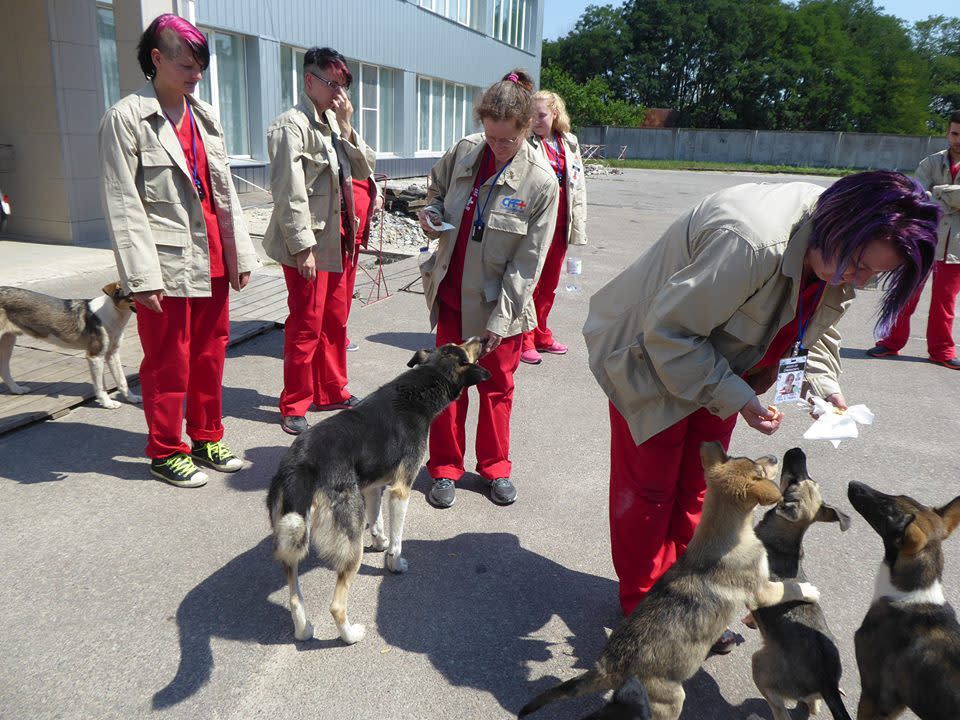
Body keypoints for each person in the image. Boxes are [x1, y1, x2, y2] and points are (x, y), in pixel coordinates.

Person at [583, 172, 938, 634]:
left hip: (725, 368)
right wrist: (740, 397)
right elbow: (667, 334)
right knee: (650, 493)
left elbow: (820, 324)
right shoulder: (751, 242)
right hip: (647, 358)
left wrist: (825, 385)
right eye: (859, 266)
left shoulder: (842, 245)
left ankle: (691, 596)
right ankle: (648, 608)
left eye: (875, 274)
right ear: (840, 225)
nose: (859, 279)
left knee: (704, 490)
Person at [99, 14, 259, 489]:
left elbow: (224, 190)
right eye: (186, 64)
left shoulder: (204, 115)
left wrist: (240, 255)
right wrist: (139, 277)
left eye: (200, 66)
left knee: (210, 355)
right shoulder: (126, 118)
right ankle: (166, 449)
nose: (196, 74)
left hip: (211, 256)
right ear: (156, 58)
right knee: (169, 359)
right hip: (164, 264)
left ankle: (207, 435)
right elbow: (122, 203)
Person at [416, 69, 560, 508]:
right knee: (447, 388)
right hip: (454, 297)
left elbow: (528, 262)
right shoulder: (465, 151)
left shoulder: (541, 181)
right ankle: (444, 468)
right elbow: (435, 190)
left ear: (525, 129)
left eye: (507, 141)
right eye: (491, 137)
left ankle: (495, 468)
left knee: (497, 391)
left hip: (502, 309)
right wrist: (430, 210)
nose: (496, 149)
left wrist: (503, 320)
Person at [263, 47, 377, 436]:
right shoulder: (289, 126)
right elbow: (289, 193)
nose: (339, 94)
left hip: (341, 241)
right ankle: (294, 402)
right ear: (309, 80)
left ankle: (331, 389)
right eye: (333, 84)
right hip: (309, 245)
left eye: (343, 86)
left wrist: (347, 126)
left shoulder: (334, 122)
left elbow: (365, 168)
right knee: (305, 324)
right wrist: (302, 248)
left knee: (336, 321)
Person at [866, 112, 960, 370]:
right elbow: (917, 197)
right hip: (922, 239)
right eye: (955, 133)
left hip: (956, 248)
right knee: (906, 292)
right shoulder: (930, 162)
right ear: (947, 132)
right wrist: (951, 198)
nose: (958, 140)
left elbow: (931, 196)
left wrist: (938, 194)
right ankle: (891, 342)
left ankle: (941, 351)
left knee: (945, 302)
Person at [520, 90, 588, 365]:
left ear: (555, 114)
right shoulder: (526, 142)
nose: (535, 120)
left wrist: (578, 223)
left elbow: (579, 186)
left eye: (541, 115)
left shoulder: (569, 142)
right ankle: (524, 339)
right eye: (531, 115)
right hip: (536, 222)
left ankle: (541, 334)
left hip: (562, 221)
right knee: (530, 283)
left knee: (549, 284)